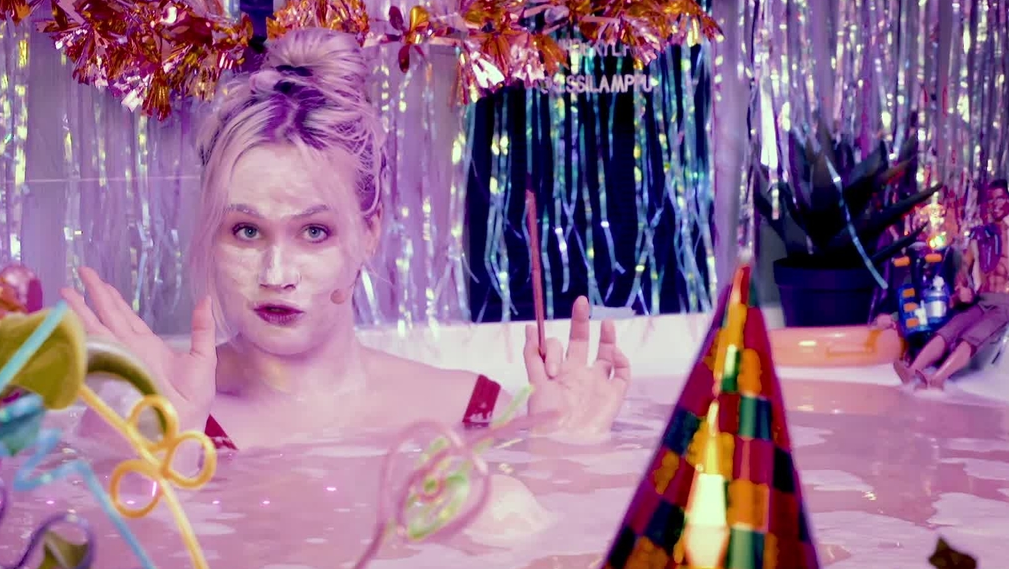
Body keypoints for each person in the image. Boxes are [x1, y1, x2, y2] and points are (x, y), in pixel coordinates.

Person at [64, 28, 632, 449]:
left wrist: (565, 449)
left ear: (369, 232)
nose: (276, 274)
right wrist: (167, 449)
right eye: (246, 230)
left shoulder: (473, 411)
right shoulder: (149, 413)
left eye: (315, 231)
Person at [891, 177, 1009, 389]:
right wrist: (962, 287)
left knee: (971, 337)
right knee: (947, 330)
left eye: (1001, 198)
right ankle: (911, 371)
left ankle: (938, 379)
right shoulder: (981, 236)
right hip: (981, 300)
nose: (995, 204)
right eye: (991, 199)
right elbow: (964, 267)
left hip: (1005, 303)